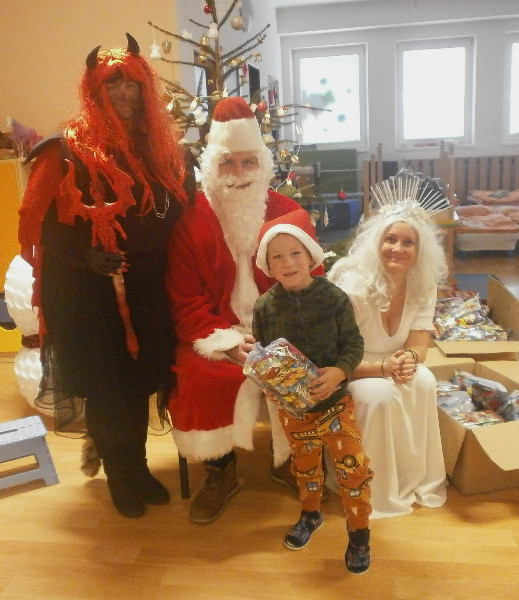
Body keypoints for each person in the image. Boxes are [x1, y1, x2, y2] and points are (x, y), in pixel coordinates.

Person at [18, 33, 190, 518]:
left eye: (131, 85)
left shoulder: (159, 150)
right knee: (108, 387)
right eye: (112, 86)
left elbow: (174, 212)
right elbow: (44, 226)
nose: (123, 94)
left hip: (145, 287)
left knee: (137, 384)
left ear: (144, 90)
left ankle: (137, 467)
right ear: (95, 91)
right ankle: (119, 474)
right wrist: (86, 256)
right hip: (89, 293)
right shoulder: (66, 150)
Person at [165, 96, 323, 524]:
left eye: (248, 162)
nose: (238, 174)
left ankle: (289, 459)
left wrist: (280, 340)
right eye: (228, 163)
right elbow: (185, 301)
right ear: (212, 166)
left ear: (263, 164)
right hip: (215, 332)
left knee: (302, 368)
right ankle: (220, 470)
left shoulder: (288, 213)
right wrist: (229, 344)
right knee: (198, 378)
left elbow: (313, 288)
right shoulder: (190, 220)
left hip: (283, 328)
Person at [251, 208, 372, 575]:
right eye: (277, 256)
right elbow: (264, 354)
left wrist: (339, 372)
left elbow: (353, 344)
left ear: (310, 256)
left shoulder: (334, 298)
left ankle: (359, 534)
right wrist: (269, 382)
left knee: (353, 469)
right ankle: (310, 514)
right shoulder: (264, 306)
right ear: (268, 265)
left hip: (335, 404)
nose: (288, 263)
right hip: (295, 410)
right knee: (304, 468)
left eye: (295, 253)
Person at [328, 179, 449, 519]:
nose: (398, 248)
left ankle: (412, 480)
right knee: (380, 396)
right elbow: (332, 357)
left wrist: (409, 358)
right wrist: (382, 369)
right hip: (351, 368)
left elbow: (420, 339)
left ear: (421, 250)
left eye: (409, 242)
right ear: (376, 243)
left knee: (424, 381)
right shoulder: (353, 286)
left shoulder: (422, 283)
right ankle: (374, 488)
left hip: (393, 363)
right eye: (390, 239)